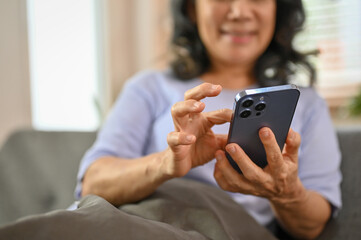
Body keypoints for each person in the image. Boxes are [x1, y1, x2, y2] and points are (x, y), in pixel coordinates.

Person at [76, 0, 341, 239]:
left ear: (277, 9)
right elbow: (93, 183)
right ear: (192, 9)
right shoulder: (148, 87)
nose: (239, 12)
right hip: (132, 222)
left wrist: (287, 192)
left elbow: (313, 226)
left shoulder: (306, 104)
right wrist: (166, 164)